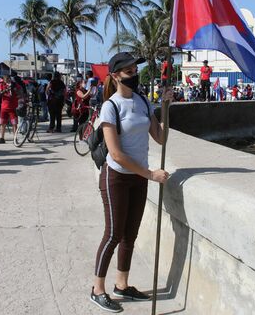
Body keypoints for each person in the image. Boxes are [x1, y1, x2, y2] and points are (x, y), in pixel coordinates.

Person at [90, 52, 170, 313]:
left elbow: (160, 138)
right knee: (113, 234)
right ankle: (97, 289)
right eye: (128, 72)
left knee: (130, 236)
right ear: (115, 76)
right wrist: (149, 174)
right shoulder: (110, 107)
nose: (134, 75)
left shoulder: (144, 102)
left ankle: (121, 285)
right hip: (116, 178)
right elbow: (116, 154)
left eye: (135, 70)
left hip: (139, 178)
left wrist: (165, 109)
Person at [0, 74, 21, 144]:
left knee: (14, 123)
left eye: (8, 79)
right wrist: (6, 90)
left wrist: (15, 90)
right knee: (2, 123)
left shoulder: (15, 85)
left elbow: (20, 93)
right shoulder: (1, 85)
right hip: (4, 107)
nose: (7, 80)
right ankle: (2, 138)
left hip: (13, 107)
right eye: (6, 79)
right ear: (3, 79)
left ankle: (15, 138)